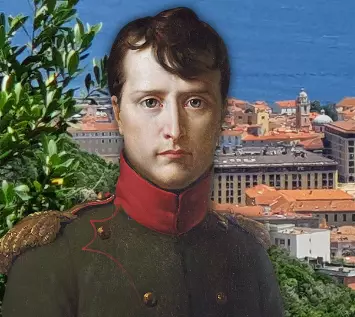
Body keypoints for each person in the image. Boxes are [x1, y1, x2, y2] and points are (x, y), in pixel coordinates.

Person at [0, 7, 283, 317]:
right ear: (118, 114)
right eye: (151, 102)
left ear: (221, 116)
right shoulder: (52, 259)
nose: (174, 129)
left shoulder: (247, 255)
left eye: (195, 102)